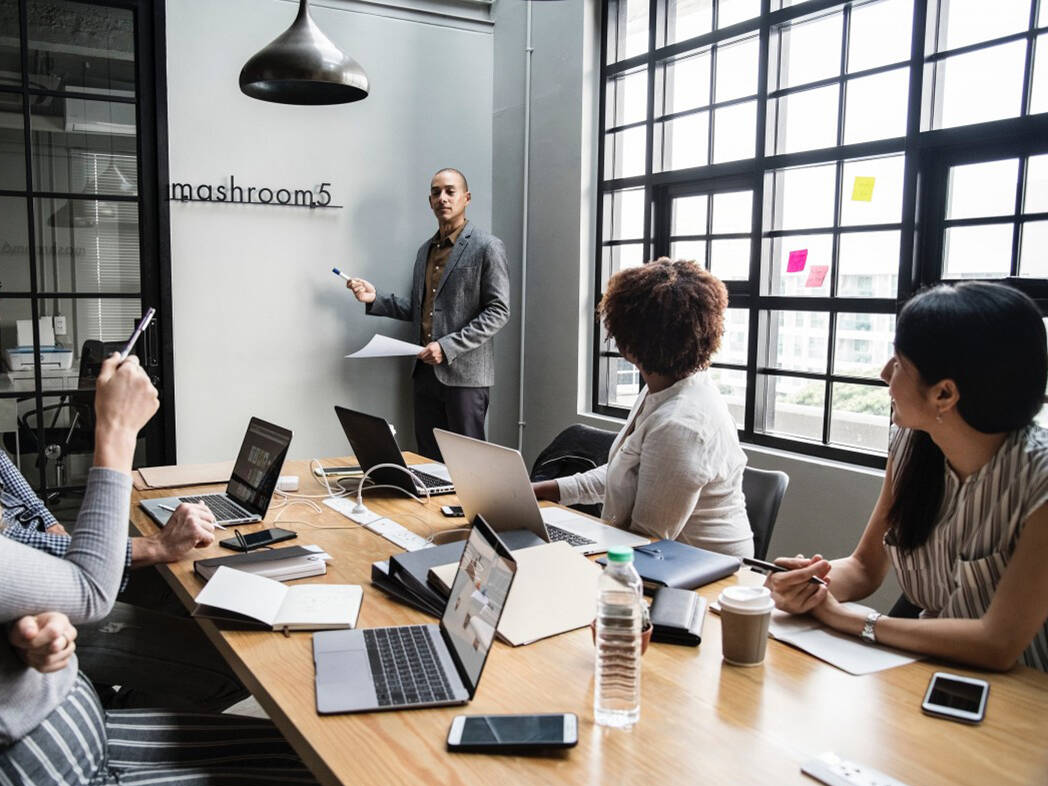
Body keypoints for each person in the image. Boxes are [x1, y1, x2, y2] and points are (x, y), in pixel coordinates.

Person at [0, 249, 326, 786]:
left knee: (311, 760)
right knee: (323, 782)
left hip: (67, 739)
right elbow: (91, 592)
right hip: (50, 779)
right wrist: (115, 433)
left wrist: (18, 625)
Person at [0, 220, 245, 711]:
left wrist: (65, 536)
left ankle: (120, 698)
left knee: (203, 597)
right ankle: (106, 714)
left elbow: (17, 493)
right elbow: (56, 575)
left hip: (44, 583)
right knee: (233, 659)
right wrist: (114, 434)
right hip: (30, 607)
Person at [767, 282, 1048, 672]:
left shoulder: (1039, 481)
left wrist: (847, 618)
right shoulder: (911, 446)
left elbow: (997, 643)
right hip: (925, 673)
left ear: (944, 395)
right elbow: (865, 568)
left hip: (1024, 702)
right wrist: (811, 586)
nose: (884, 374)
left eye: (898, 362)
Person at [531, 258, 753, 558]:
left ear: (627, 345)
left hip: (702, 582)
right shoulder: (665, 387)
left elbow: (646, 542)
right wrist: (542, 490)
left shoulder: (680, 424)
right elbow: (626, 474)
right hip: (659, 559)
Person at [345, 168, 510, 460]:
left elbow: (498, 311)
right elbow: (424, 308)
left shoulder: (487, 247)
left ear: (466, 198)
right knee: (428, 462)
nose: (442, 198)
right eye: (436, 192)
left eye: (450, 191)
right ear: (429, 201)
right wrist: (375, 298)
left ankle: (471, 510)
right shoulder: (425, 251)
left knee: (469, 463)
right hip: (424, 376)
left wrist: (447, 348)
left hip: (465, 378)